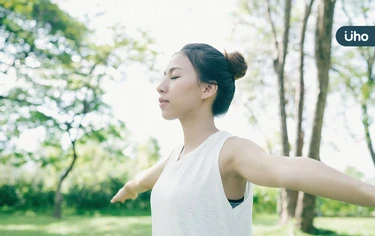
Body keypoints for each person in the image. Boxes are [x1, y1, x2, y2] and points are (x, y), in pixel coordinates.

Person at [111, 43, 375, 236]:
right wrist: (129, 189)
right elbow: (145, 179)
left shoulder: (228, 152)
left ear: (207, 89)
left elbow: (291, 169)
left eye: (175, 76)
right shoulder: (176, 157)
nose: (161, 85)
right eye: (163, 75)